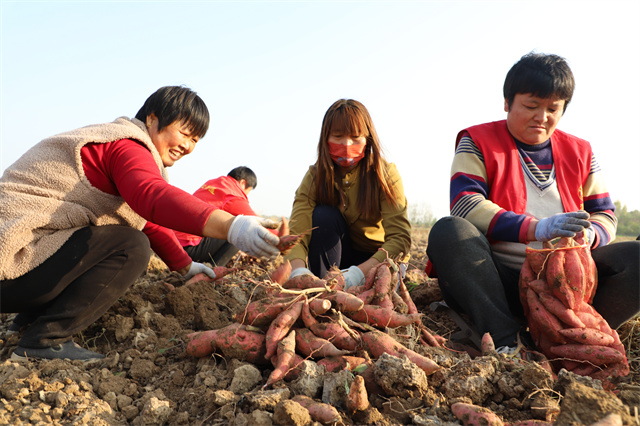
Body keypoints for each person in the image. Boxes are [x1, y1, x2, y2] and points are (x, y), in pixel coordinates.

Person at [0, 86, 280, 361]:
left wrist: (186, 266)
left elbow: (147, 221)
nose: (187, 146)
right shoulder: (128, 145)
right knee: (131, 247)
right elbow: (151, 196)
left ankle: (26, 321)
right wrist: (233, 226)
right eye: (184, 132)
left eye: (195, 139)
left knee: (113, 236)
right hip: (10, 265)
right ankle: (44, 340)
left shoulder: (116, 143)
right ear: (152, 119)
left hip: (19, 264)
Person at [426, 52, 640, 353]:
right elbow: (466, 204)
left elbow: (604, 213)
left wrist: (590, 234)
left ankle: (575, 336)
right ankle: (506, 337)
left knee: (636, 259)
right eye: (531, 106)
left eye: (553, 109)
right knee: (450, 232)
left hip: (567, 285)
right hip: (498, 280)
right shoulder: (476, 141)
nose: (542, 117)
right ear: (507, 103)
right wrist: (537, 228)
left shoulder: (582, 152)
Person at [285, 99, 411, 288]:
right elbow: (297, 231)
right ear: (325, 138)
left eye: (355, 137)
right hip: (339, 257)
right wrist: (298, 270)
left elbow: (399, 238)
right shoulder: (315, 176)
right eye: (337, 136)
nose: (346, 144)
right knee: (323, 216)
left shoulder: (385, 175)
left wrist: (356, 275)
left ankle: (347, 287)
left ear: (367, 139)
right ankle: (325, 291)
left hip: (378, 258)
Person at [173, 166, 270, 266]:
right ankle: (211, 272)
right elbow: (255, 221)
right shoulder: (231, 194)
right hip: (188, 249)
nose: (246, 195)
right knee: (239, 231)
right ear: (243, 183)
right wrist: (279, 236)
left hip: (172, 244)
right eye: (248, 191)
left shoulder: (213, 184)